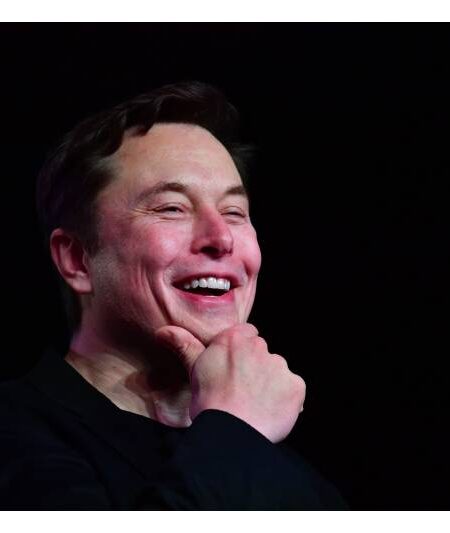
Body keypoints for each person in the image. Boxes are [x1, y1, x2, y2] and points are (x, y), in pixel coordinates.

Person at [0, 81, 347, 510]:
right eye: (171, 208)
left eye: (234, 212)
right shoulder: (12, 435)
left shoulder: (296, 480)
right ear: (77, 259)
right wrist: (234, 430)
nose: (221, 238)